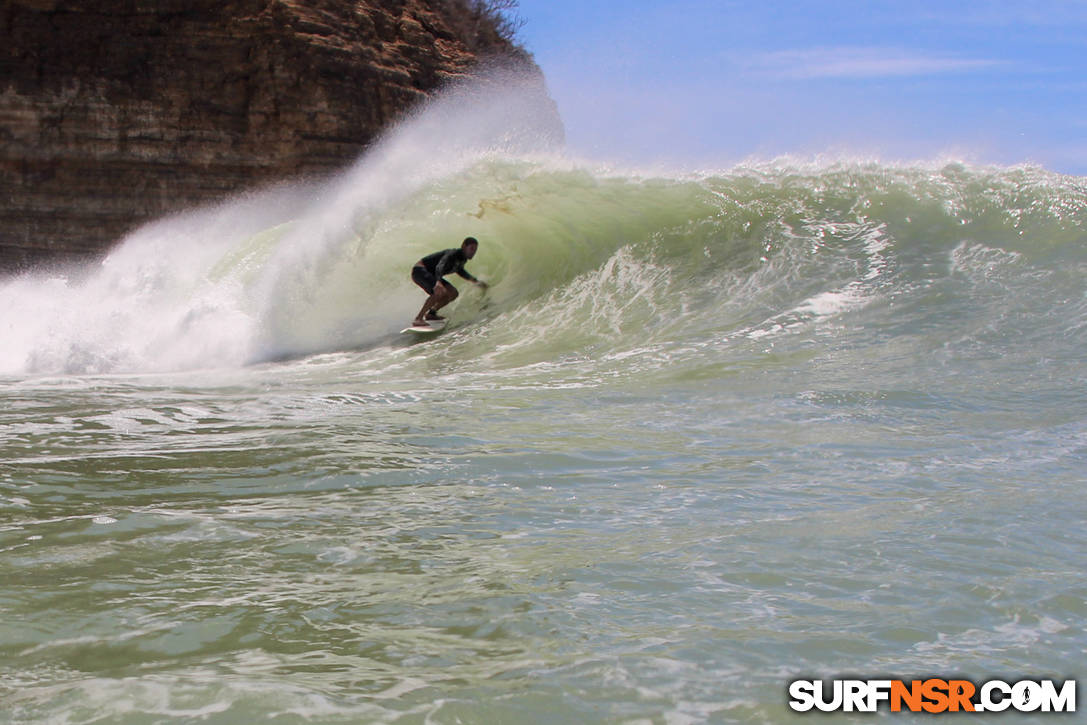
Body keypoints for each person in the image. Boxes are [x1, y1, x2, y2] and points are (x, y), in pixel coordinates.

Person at [410, 237, 488, 326]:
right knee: (440, 291)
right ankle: (418, 319)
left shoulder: (462, 259)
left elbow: (460, 271)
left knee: (453, 293)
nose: (473, 252)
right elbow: (440, 266)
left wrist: (476, 282)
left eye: (475, 250)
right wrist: (438, 282)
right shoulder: (452, 254)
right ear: (463, 246)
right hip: (420, 271)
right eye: (471, 248)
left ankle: (431, 313)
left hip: (432, 274)